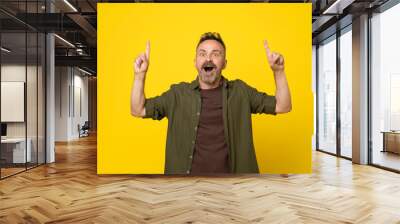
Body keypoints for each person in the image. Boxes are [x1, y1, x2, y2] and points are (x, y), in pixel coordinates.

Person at [131, 32, 291, 174]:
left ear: (224, 63)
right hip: (185, 189)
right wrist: (140, 75)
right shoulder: (177, 94)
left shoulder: (241, 92)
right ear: (195, 62)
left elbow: (283, 106)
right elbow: (138, 109)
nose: (208, 58)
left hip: (233, 189)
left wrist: (278, 71)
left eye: (216, 54)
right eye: (202, 54)